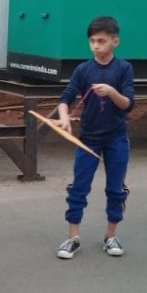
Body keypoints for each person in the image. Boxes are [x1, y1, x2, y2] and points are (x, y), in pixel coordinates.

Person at [53, 16, 135, 259]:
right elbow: (65, 98)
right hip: (87, 139)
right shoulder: (84, 69)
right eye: (92, 41)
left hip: (116, 138)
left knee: (115, 188)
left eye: (101, 41)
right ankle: (72, 237)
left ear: (115, 41)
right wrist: (64, 117)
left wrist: (111, 92)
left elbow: (128, 104)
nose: (96, 46)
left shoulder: (123, 68)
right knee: (79, 188)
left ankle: (111, 236)